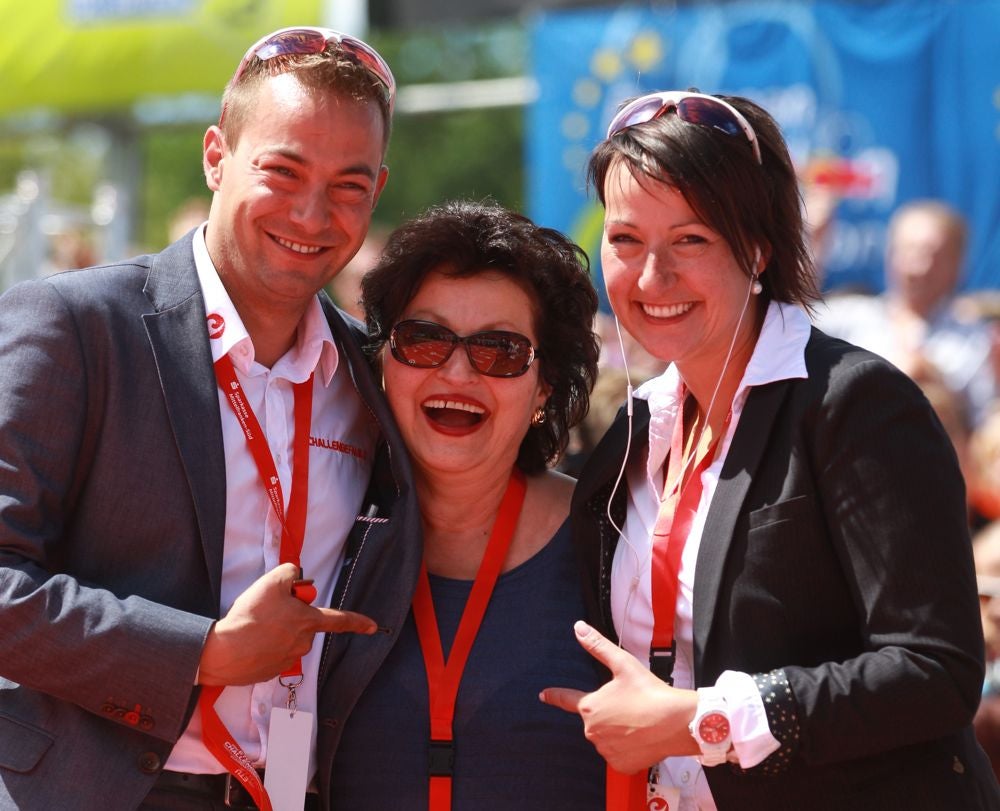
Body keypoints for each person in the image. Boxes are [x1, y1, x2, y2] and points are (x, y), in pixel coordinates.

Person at [539, 90, 1000, 809]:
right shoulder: (637, 428)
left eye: (690, 240)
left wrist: (705, 720)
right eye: (626, 239)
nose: (652, 276)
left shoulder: (855, 403)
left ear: (757, 248)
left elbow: (934, 671)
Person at [0, 26, 421, 811]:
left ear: (378, 190)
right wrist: (202, 652)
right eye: (283, 171)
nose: (313, 213)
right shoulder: (76, 325)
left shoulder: (371, 374)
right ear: (216, 157)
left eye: (349, 186)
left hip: (287, 791)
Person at [327, 200, 606, 809]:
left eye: (500, 350)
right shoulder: (323, 532)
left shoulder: (612, 540)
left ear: (545, 387)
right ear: (382, 361)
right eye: (424, 340)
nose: (457, 373)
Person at [814, 198, 997, 428]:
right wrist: (811, 249)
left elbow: (983, 427)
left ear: (958, 264)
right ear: (890, 254)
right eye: (910, 251)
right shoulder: (849, 317)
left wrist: (934, 384)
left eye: (933, 255)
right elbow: (786, 326)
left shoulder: (976, 341)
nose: (919, 267)